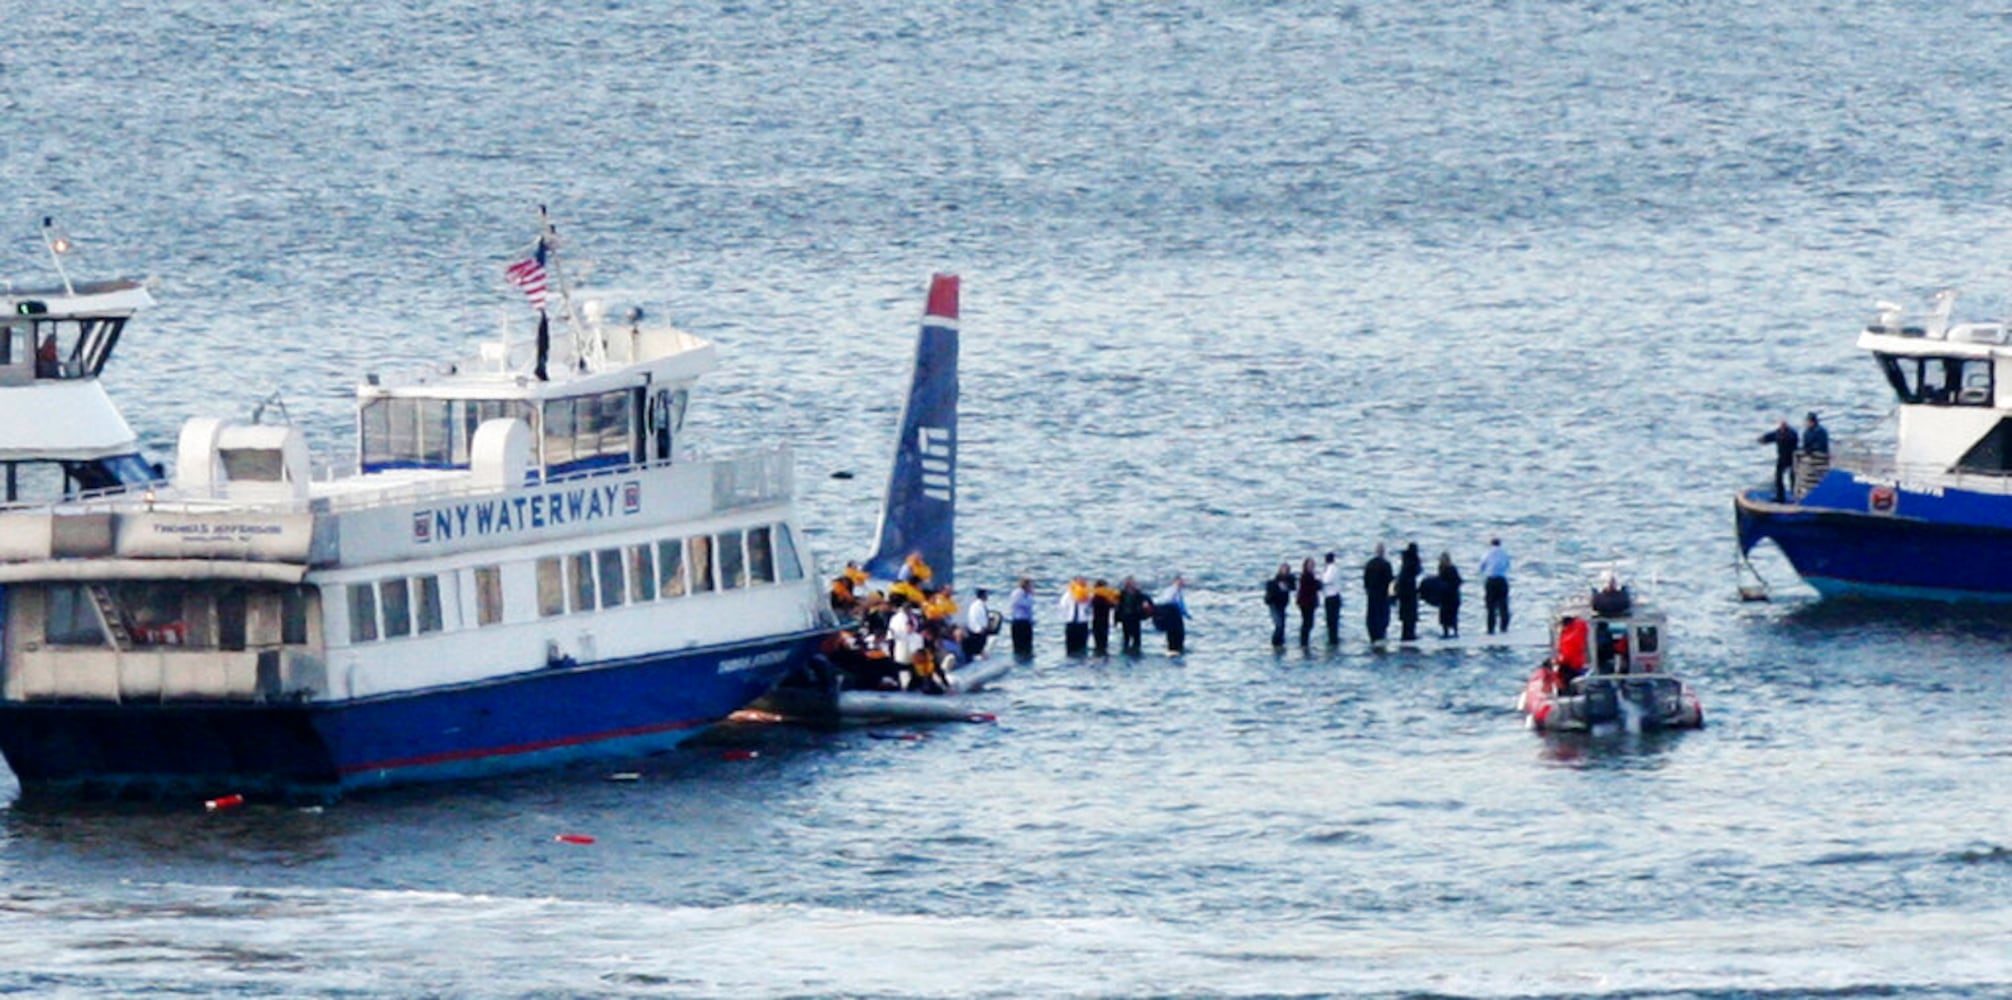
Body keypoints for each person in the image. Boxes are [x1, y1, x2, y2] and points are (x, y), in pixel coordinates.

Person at [1759, 418, 1799, 502]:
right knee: (1778, 477)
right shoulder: (1778, 432)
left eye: (1783, 426)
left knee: (1793, 477)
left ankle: (1795, 496)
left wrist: (1782, 437)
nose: (1782, 428)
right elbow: (1772, 436)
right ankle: (1780, 496)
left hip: (1792, 458)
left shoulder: (1792, 433)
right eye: (1781, 426)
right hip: (1782, 458)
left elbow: (1792, 439)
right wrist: (1764, 439)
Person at [1478, 538, 1511, 635]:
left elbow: (1482, 566)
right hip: (1501, 580)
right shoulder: (1504, 553)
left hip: (1491, 580)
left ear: (1490, 544)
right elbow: (1507, 565)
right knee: (1503, 605)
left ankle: (1490, 628)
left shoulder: (1487, 553)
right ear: (1500, 544)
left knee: (1490, 606)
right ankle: (1504, 627)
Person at [1363, 544, 1394, 643]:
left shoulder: (1369, 564)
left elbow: (1365, 581)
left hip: (1371, 595)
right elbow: (1390, 582)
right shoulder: (1386, 564)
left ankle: (1373, 636)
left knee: (1371, 616)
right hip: (1383, 595)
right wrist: (1392, 596)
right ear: (1383, 552)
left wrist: (1367, 591)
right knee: (1383, 617)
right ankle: (1381, 635)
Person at [1116, 577, 1152, 655]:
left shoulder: (1138, 594)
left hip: (1135, 617)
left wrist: (1147, 609)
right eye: (1130, 583)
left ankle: (1136, 651)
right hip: (1125, 617)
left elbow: (1148, 600)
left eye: (1133, 583)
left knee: (1136, 637)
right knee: (1126, 637)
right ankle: (1126, 651)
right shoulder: (1122, 594)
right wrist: (1116, 618)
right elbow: (1118, 606)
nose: (1131, 585)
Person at [1394, 543, 1422, 642]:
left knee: (1406, 617)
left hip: (1404, 593)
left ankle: (1406, 635)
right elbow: (1418, 570)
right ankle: (1409, 636)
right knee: (1410, 617)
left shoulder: (1405, 563)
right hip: (1409, 593)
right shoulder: (1412, 563)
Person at [1058, 577, 1092, 655]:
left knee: (1082, 646)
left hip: (1082, 623)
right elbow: (1062, 607)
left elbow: (1090, 607)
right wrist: (1066, 617)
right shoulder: (1068, 595)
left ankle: (1081, 662)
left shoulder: (1088, 595)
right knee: (1070, 646)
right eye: (1079, 583)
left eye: (1083, 583)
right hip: (1070, 623)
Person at [1157, 575, 1191, 654]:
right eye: (1181, 581)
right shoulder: (1173, 590)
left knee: (1174, 634)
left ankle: (1174, 648)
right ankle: (1175, 649)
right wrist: (1185, 613)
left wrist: (1186, 614)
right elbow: (1175, 602)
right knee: (1176, 634)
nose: (1182, 583)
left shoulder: (1173, 591)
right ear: (1175, 581)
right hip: (1172, 614)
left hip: (1171, 614)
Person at [1264, 563, 1294, 648]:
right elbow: (1270, 591)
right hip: (1274, 604)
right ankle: (1275, 643)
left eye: (1287, 570)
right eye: (1284, 569)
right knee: (1279, 624)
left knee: (1282, 624)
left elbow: (1293, 587)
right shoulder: (1275, 581)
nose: (1285, 572)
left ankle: (1280, 642)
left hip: (1282, 605)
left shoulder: (1289, 580)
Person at [1555, 614, 1589, 689]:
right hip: (1579, 662)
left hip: (1571, 666)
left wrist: (1557, 661)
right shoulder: (1580, 626)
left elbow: (1566, 656)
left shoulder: (1568, 638)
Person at [1434, 551, 1463, 638]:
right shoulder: (1446, 568)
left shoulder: (1448, 569)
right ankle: (1450, 632)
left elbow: (1457, 581)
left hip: (1449, 596)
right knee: (1448, 615)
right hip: (1448, 596)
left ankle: (1450, 632)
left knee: (1449, 615)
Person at [1295, 557, 1321, 647]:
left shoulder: (1310, 575)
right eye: (1309, 565)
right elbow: (1312, 587)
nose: (1311, 567)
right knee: (1307, 623)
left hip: (1308, 602)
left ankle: (1304, 641)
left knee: (1308, 622)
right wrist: (1318, 583)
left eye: (1312, 565)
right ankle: (1303, 642)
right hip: (1306, 603)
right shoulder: (1306, 576)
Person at [1089, 578, 1119, 656]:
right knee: (1102, 643)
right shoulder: (1101, 598)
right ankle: (1102, 656)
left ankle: (1099, 655)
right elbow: (1112, 605)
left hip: (1097, 623)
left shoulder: (1095, 597)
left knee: (1099, 644)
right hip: (1102, 623)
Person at [1008, 578, 1036, 659]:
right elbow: (1026, 604)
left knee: (1028, 645)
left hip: (1026, 622)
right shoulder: (1018, 593)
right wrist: (1031, 595)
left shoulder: (1026, 594)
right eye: (1031, 586)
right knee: (1019, 645)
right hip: (1019, 622)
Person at [1320, 551, 1343, 646]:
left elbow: (1326, 580)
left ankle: (1332, 640)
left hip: (1331, 597)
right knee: (1334, 620)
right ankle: (1334, 638)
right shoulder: (1336, 568)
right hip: (1335, 596)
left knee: (1331, 620)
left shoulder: (1331, 569)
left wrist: (1319, 578)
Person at [962, 587, 992, 660]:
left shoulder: (975, 604)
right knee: (979, 646)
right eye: (986, 595)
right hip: (978, 632)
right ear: (983, 595)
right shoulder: (979, 606)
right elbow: (981, 619)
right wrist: (983, 628)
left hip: (974, 630)